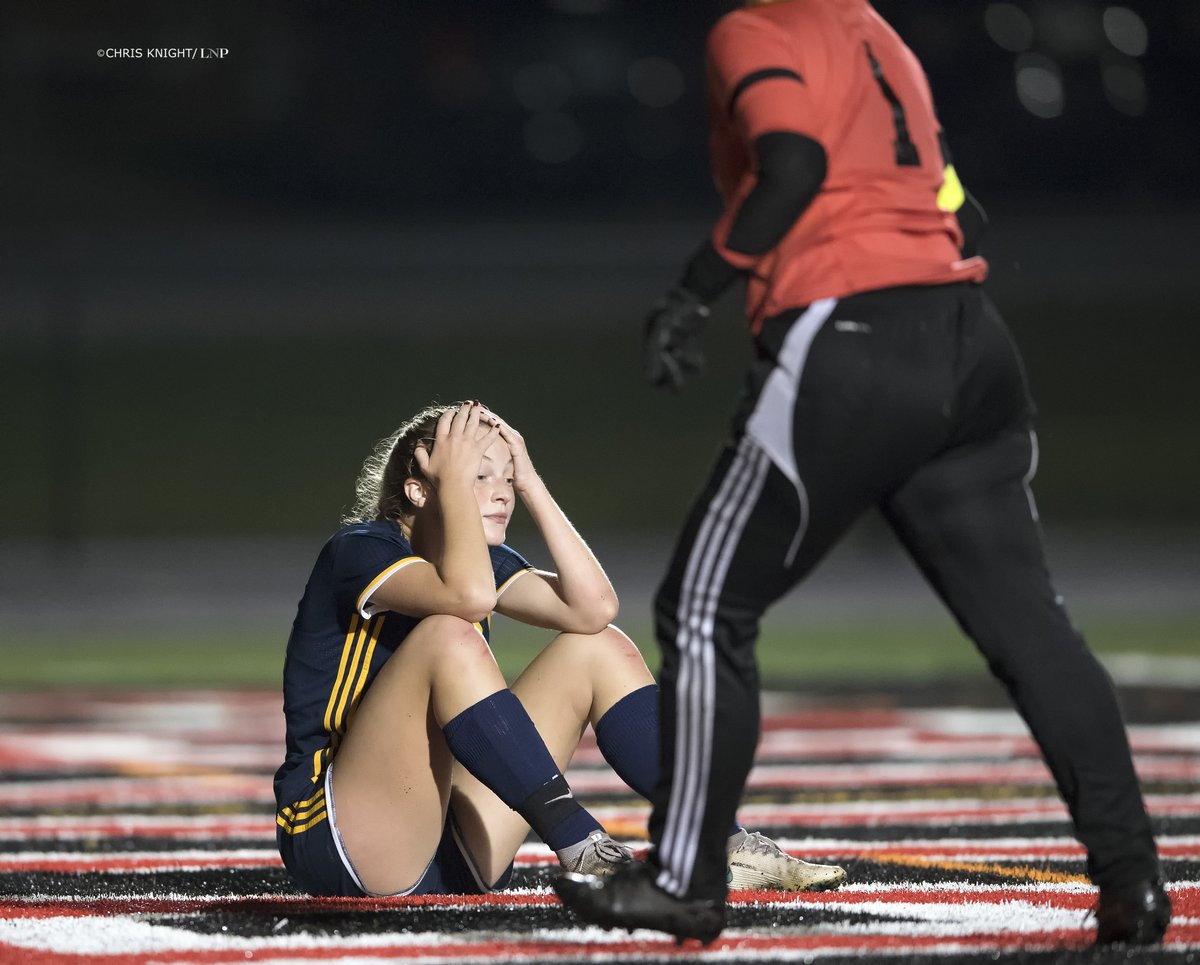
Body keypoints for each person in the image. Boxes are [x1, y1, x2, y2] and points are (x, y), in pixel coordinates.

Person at [553, 0, 1171, 947]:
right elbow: (956, 200)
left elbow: (793, 163)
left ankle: (685, 879)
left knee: (705, 607)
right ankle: (1132, 880)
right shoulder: (878, 32)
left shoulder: (759, 28)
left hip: (850, 334)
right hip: (967, 336)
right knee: (1033, 629)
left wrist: (693, 291)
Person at [274, 399, 846, 898]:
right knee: (448, 634)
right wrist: (457, 486)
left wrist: (533, 484)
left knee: (597, 647)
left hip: (453, 847)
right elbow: (467, 598)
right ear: (420, 489)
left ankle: (722, 839)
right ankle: (582, 844)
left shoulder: (476, 563)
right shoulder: (361, 549)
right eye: (478, 475)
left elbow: (594, 607)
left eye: (506, 477)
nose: (500, 491)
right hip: (340, 838)